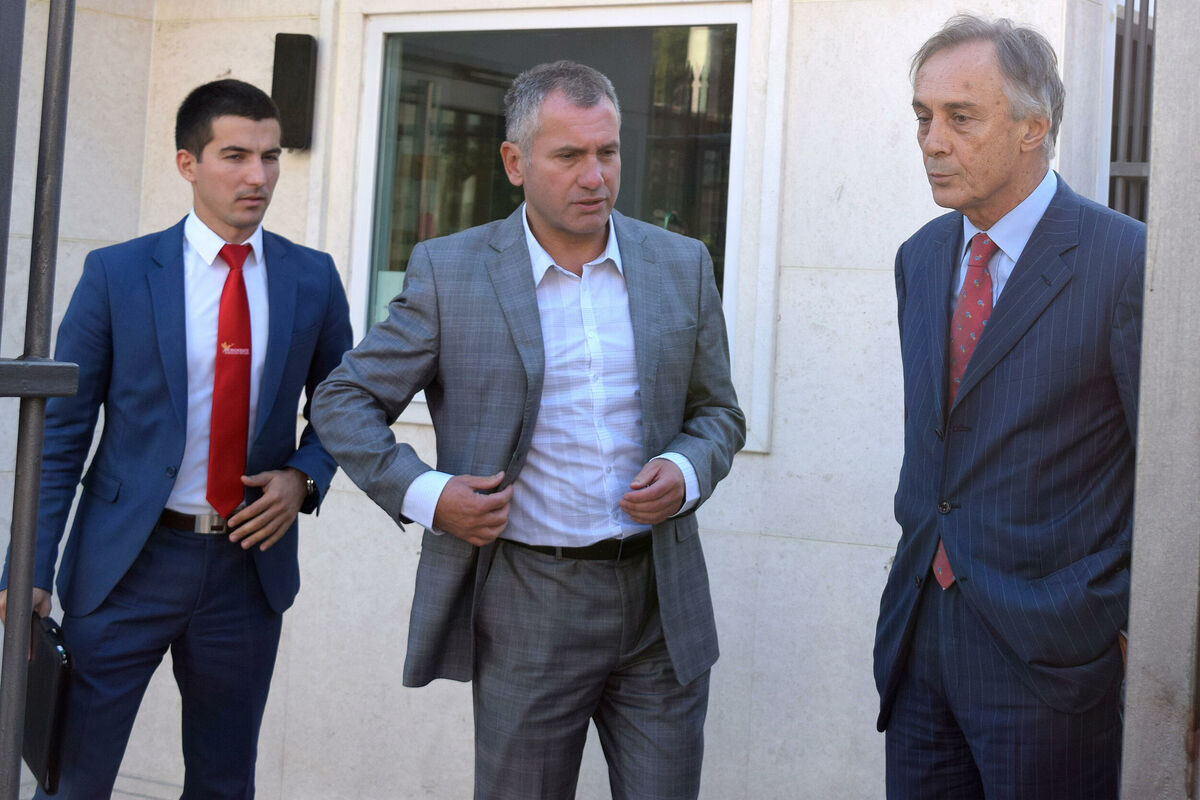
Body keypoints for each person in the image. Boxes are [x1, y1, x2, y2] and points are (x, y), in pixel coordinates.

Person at [311, 60, 744, 799]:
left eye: (607, 152)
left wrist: (686, 470)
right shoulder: (451, 273)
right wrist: (427, 494)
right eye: (569, 155)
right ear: (515, 163)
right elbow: (342, 399)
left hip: (660, 603)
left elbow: (718, 414)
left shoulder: (680, 263)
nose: (595, 177)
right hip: (527, 602)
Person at [0, 79, 353, 797]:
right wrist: (29, 565)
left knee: (224, 782)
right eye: (235, 156)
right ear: (188, 164)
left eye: (270, 156)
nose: (258, 176)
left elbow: (343, 407)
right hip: (125, 564)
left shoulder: (311, 278)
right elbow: (61, 433)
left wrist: (303, 477)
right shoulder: (118, 273)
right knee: (72, 781)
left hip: (245, 570)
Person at [873, 14, 1144, 799]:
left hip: (1054, 658)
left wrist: (1117, 620)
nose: (932, 141)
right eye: (923, 117)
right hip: (920, 641)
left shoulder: (1126, 261)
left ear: (1034, 127)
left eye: (961, 117)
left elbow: (1169, 475)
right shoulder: (922, 257)